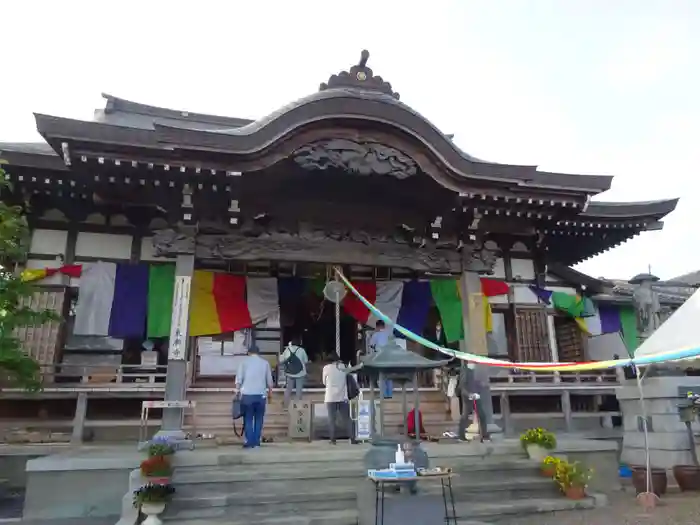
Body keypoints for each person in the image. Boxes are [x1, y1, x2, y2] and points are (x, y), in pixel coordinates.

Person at [234, 344, 273, 449]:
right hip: (261, 395)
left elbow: (239, 379)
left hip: (247, 395)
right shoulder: (265, 363)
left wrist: (237, 392)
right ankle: (256, 442)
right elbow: (269, 381)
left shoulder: (243, 362)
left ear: (249, 353)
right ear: (258, 353)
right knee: (259, 418)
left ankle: (249, 441)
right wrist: (270, 394)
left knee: (248, 418)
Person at [322, 355, 363, 444]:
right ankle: (352, 438)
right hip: (342, 397)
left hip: (330, 397)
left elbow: (324, 382)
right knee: (347, 419)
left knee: (331, 420)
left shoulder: (326, 368)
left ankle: (333, 440)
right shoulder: (343, 367)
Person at [456, 361, 490, 442]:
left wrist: (480, 388)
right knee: (465, 417)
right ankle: (461, 436)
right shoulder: (465, 371)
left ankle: (484, 436)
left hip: (476, 396)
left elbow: (477, 383)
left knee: (482, 415)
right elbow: (462, 386)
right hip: (468, 398)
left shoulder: (475, 371)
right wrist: (469, 395)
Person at [279, 334, 308, 408]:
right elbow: (306, 361)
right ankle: (298, 406)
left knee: (288, 389)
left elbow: (282, 360)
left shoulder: (287, 349)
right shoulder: (301, 350)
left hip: (290, 373)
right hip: (300, 373)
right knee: (299, 390)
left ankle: (285, 405)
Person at [368, 320, 393, 398]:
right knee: (389, 376)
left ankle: (384, 394)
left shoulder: (376, 335)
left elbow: (371, 345)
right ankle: (389, 394)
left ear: (377, 326)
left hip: (380, 357)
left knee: (381, 376)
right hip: (389, 357)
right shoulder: (389, 334)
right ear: (384, 326)